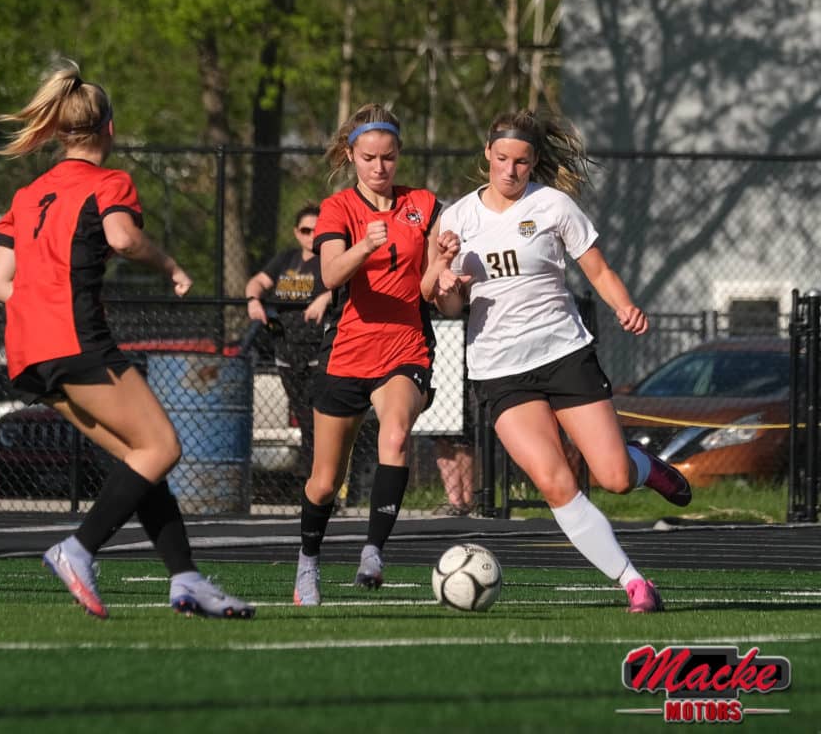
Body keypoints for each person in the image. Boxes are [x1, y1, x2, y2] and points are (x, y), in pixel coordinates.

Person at [0, 59, 253, 620]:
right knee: (163, 448)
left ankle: (185, 578)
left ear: (60, 131)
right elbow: (124, 238)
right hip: (75, 340)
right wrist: (171, 265)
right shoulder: (108, 182)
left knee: (140, 458)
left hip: (29, 352)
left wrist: (41, 303)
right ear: (109, 127)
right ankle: (78, 549)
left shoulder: (28, 193)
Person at [424, 108, 692, 613]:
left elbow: (599, 270)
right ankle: (634, 582)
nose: (510, 170)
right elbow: (449, 305)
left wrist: (625, 306)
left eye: (522, 162)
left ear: (534, 162)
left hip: (563, 354)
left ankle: (643, 466)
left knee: (613, 477)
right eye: (502, 158)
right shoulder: (457, 218)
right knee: (554, 482)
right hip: (500, 370)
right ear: (487, 153)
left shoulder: (553, 206)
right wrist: (446, 282)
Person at [293, 103, 451, 606]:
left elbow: (430, 290)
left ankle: (373, 553)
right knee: (324, 483)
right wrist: (363, 246)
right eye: (369, 158)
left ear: (399, 154)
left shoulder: (424, 205)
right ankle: (308, 563)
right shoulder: (338, 208)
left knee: (396, 434)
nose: (379, 167)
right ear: (351, 155)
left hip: (405, 345)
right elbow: (330, 275)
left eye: (388, 157)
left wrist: (446, 270)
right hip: (347, 351)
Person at [244, 204, 331, 477]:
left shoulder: (329, 259)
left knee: (321, 418)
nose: (311, 235)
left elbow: (348, 284)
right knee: (304, 418)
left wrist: (325, 298)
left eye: (317, 230)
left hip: (318, 350)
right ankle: (309, 480)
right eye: (305, 230)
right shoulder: (286, 259)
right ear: (296, 232)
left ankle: (322, 479)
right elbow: (257, 282)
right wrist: (253, 300)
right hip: (286, 348)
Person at [432, 385, 478, 516]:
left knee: (464, 443)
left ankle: (468, 499)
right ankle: (454, 501)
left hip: (465, 384)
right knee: (441, 439)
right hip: (438, 382)